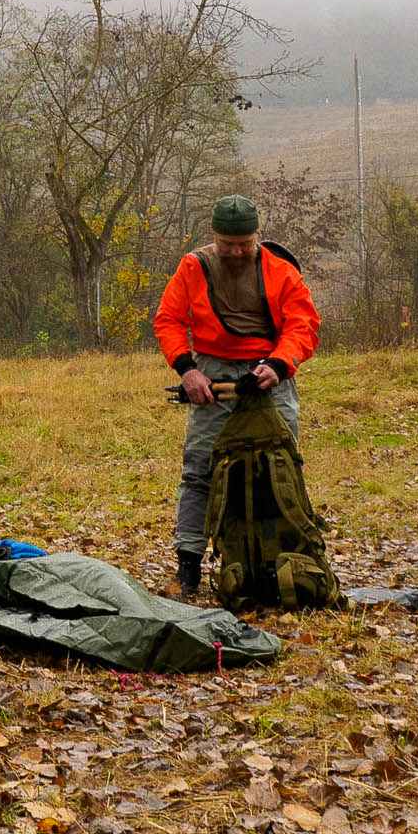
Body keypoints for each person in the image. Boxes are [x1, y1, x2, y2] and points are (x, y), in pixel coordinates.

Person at [154, 195, 320, 597]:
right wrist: (188, 370)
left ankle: (281, 562)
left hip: (269, 376)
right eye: (228, 244)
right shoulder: (194, 267)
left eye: (244, 243)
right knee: (198, 473)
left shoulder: (280, 271)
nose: (236, 251)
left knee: (279, 468)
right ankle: (188, 564)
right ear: (214, 236)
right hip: (210, 376)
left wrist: (277, 366)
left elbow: (303, 326)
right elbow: (169, 320)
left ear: (256, 236)